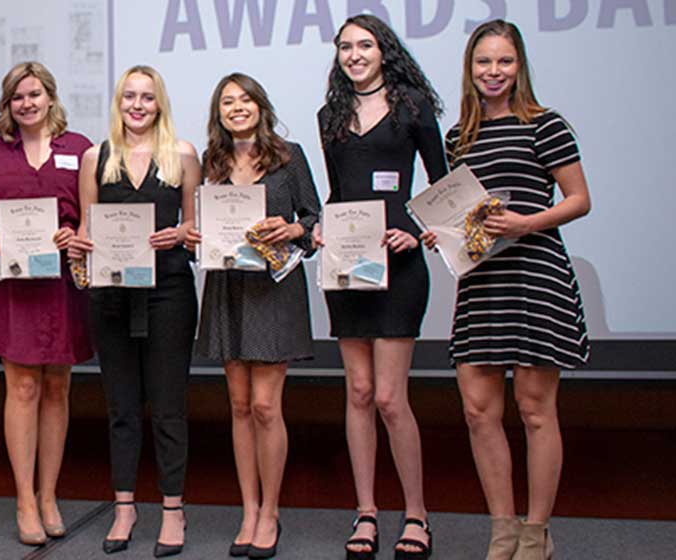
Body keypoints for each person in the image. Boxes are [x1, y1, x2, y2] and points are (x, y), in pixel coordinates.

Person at [422, 19, 591, 560]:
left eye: (504, 61)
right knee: (477, 410)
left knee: (536, 408)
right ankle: (503, 529)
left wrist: (524, 223)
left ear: (520, 67)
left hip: (536, 276)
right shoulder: (458, 137)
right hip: (481, 281)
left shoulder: (546, 125)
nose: (493, 72)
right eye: (483, 62)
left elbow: (578, 199)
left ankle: (536, 532)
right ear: (469, 69)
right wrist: (440, 233)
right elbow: (463, 213)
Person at [315, 14, 448, 560]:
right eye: (345, 46)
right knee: (360, 393)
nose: (354, 54)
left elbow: (443, 186)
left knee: (392, 399)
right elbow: (339, 191)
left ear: (383, 50)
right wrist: (324, 228)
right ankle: (366, 511)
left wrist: (416, 232)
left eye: (364, 44)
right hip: (348, 269)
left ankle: (416, 514)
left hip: (402, 268)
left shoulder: (413, 106)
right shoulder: (330, 115)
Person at [184, 73, 320, 559]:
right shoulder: (212, 162)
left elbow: (312, 221)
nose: (237, 108)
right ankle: (248, 508)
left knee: (266, 407)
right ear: (218, 113)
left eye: (245, 100)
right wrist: (194, 236)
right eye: (227, 102)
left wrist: (291, 228)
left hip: (274, 290)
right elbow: (200, 224)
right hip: (226, 289)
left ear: (261, 106)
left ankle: (271, 511)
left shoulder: (289, 156)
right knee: (239, 406)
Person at [67, 65, 200, 558]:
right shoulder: (94, 157)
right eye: (129, 97)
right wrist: (78, 245)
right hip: (112, 296)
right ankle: (124, 507)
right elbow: (85, 227)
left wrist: (182, 234)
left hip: (169, 292)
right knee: (121, 409)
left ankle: (172, 509)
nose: (137, 105)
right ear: (118, 103)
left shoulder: (183, 154)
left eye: (146, 97)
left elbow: (195, 227)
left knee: (168, 408)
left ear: (159, 103)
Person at [0, 61, 93, 546]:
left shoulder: (78, 149)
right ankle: (23, 498)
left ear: (50, 97)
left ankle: (48, 495)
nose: (27, 103)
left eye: (35, 94)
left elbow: (91, 215)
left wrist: (76, 232)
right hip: (13, 286)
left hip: (61, 286)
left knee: (58, 388)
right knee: (21, 389)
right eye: (18, 97)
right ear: (7, 104)